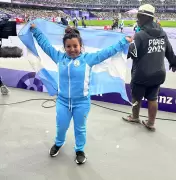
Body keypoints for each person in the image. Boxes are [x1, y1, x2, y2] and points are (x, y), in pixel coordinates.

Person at [30, 24, 132, 164]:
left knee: (80, 128)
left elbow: (107, 52)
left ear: (80, 46)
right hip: (63, 102)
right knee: (61, 126)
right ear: (64, 47)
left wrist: (123, 42)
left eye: (75, 46)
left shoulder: (88, 59)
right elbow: (45, 45)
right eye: (68, 47)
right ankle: (59, 143)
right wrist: (35, 30)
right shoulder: (59, 58)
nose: (72, 49)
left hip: (82, 103)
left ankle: (79, 150)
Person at [123, 4, 176, 131]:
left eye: (139, 16)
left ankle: (135, 117)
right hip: (158, 74)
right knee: (153, 98)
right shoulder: (162, 33)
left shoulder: (140, 35)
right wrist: (173, 63)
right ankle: (151, 123)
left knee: (136, 97)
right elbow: (169, 51)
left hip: (141, 75)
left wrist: (122, 55)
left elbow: (131, 53)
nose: (137, 19)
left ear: (144, 17)